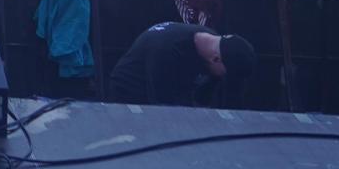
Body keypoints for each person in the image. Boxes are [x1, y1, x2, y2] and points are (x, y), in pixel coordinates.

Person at [107, 22, 256, 107]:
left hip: (168, 89)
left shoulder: (210, 38)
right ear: (216, 59)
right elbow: (162, 105)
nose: (222, 78)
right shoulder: (166, 50)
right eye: (225, 74)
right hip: (130, 93)